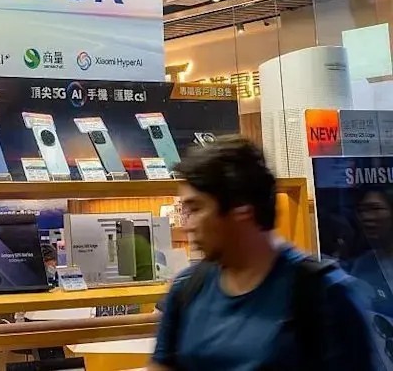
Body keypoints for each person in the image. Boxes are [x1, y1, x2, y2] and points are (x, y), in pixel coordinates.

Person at [151, 136, 378, 371]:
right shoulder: (187, 288)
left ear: (241, 210)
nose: (187, 225)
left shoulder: (323, 293)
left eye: (196, 208)